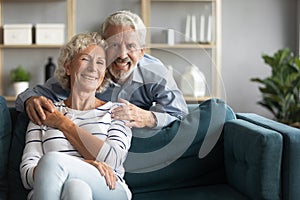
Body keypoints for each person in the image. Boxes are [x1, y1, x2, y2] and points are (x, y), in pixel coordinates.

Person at [16, 10, 188, 129]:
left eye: (130, 46)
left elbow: (180, 113)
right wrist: (30, 100)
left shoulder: (155, 73)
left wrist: (147, 117)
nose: (122, 55)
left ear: (142, 51)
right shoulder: (87, 72)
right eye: (114, 45)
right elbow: (30, 95)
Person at [20, 32, 132, 200]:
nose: (93, 68)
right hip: (59, 191)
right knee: (76, 188)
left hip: (109, 187)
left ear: (103, 74)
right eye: (85, 59)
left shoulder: (116, 111)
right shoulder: (45, 111)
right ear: (68, 67)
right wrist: (81, 166)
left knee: (51, 161)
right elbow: (27, 175)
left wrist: (63, 123)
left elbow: (112, 161)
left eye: (100, 62)